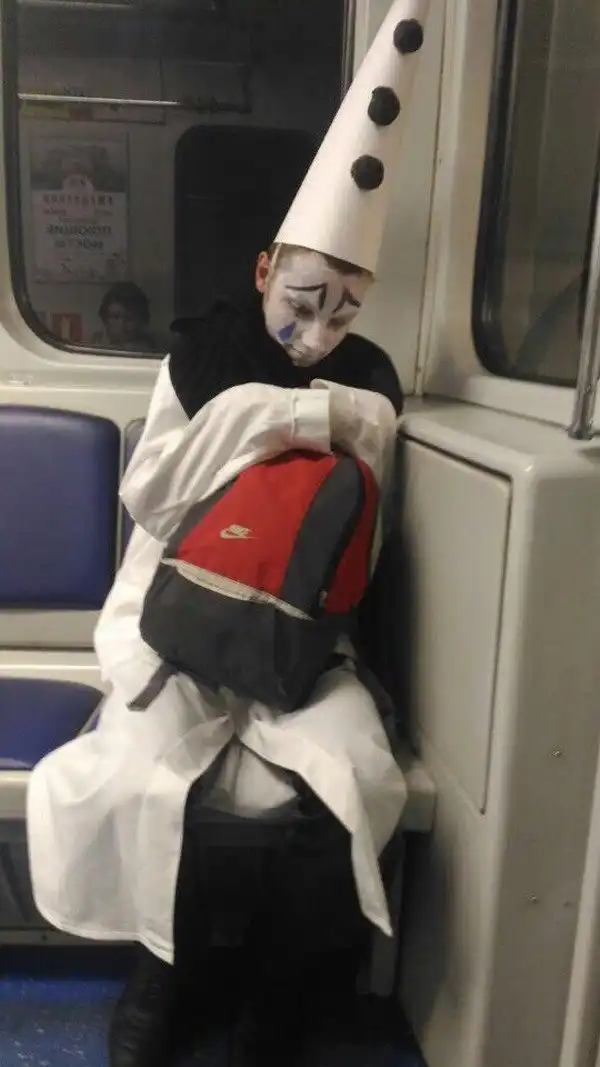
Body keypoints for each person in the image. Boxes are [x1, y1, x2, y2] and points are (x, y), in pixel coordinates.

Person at [26, 3, 430, 1065]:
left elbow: (368, 510)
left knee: (353, 775)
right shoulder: (204, 355)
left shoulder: (372, 376)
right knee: (145, 772)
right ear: (262, 272)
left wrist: (320, 413)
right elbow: (156, 494)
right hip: (179, 606)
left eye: (343, 311)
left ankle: (274, 996)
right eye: (302, 300)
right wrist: (282, 412)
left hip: (305, 627)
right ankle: (166, 975)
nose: (316, 334)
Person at [94, 281, 156, 352]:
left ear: (142, 320)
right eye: (116, 317)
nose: (122, 324)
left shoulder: (154, 350)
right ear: (105, 320)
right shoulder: (94, 344)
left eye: (129, 317)